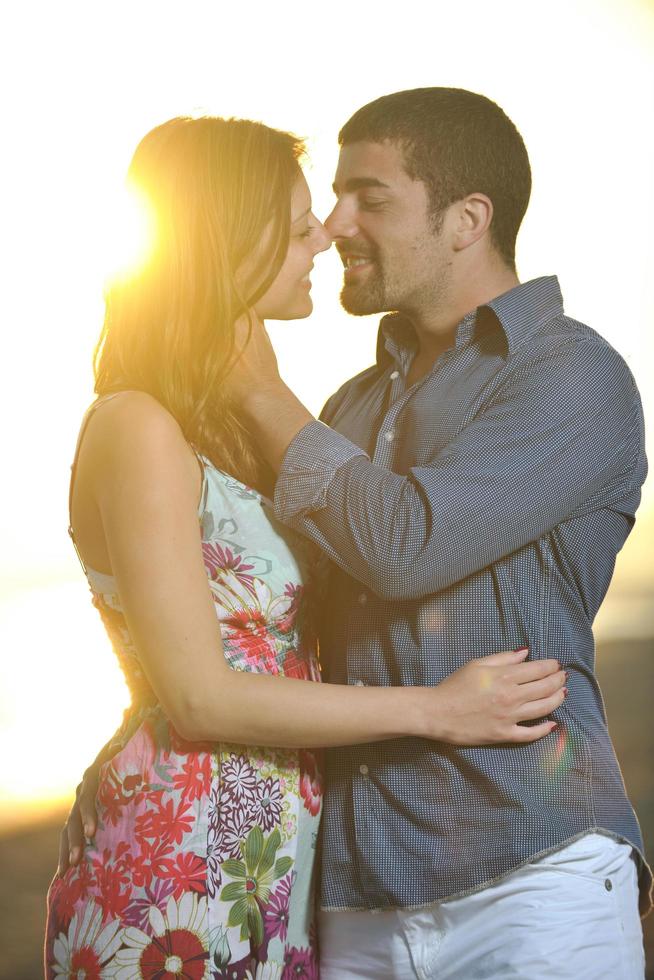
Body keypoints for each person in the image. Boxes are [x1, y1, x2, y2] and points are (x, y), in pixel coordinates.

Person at [45, 115, 566, 979]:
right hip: (178, 867)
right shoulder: (138, 424)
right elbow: (202, 698)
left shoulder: (233, 431)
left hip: (271, 859)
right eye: (296, 228)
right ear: (227, 245)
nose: (324, 237)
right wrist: (438, 708)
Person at [210, 89, 652, 976]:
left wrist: (255, 390)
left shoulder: (573, 376)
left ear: (466, 220)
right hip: (353, 895)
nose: (335, 225)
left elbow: (405, 546)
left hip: (531, 875)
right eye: (335, 198)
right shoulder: (349, 407)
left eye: (369, 198)